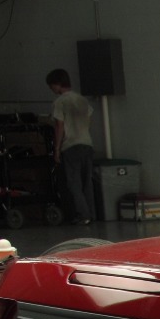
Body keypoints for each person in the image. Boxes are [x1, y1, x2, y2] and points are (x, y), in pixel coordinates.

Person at [47, 68, 95, 224]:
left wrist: (56, 149)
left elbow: (59, 126)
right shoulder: (82, 100)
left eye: (51, 86)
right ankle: (91, 213)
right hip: (87, 144)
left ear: (57, 84)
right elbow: (88, 121)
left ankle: (83, 215)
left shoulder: (59, 102)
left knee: (74, 183)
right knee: (87, 182)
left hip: (71, 146)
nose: (51, 89)